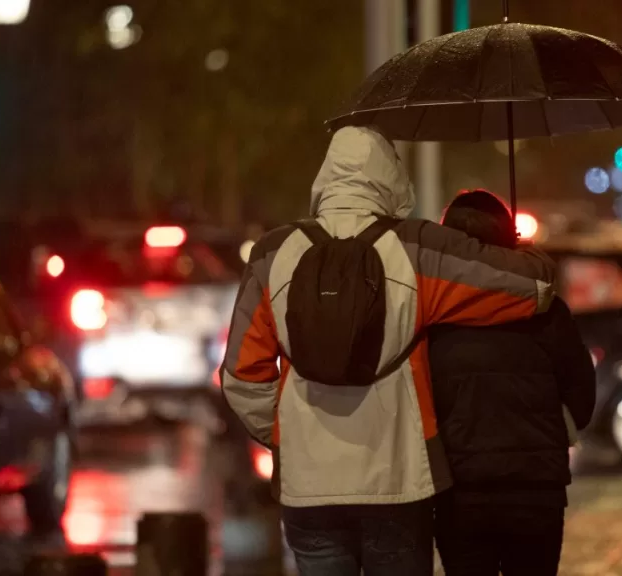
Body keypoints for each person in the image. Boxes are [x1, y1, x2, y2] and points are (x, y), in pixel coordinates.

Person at [219, 126, 557, 576]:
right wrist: (521, 248)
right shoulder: (417, 248)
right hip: (399, 483)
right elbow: (532, 287)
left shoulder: (271, 254)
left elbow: (242, 377)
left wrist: (286, 436)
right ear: (391, 178)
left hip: (307, 486)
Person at [428, 190, 597, 576]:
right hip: (536, 492)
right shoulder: (547, 309)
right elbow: (582, 399)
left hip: (459, 493)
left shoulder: (432, 314)